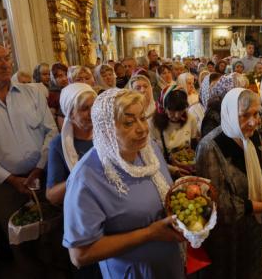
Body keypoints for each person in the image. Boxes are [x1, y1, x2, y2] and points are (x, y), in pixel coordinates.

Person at [63, 89, 185, 278]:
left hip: (168, 262)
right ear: (106, 129)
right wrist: (149, 234)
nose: (142, 128)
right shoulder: (86, 178)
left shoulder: (148, 148)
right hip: (134, 270)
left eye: (143, 118)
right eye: (129, 122)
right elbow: (80, 255)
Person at [196, 88, 262, 279]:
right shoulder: (210, 146)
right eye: (244, 115)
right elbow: (218, 203)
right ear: (229, 113)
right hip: (227, 234)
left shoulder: (252, 135)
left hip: (253, 226)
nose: (253, 121)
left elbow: (261, 174)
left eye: (256, 113)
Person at [0, 39, 58, 277]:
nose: (5, 64)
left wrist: (39, 169)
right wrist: (9, 179)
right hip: (5, 185)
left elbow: (51, 131)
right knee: (20, 240)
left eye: (7, 58)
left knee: (52, 231)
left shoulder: (33, 93)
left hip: (43, 174)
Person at [46, 83, 97, 205]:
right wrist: (80, 175)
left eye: (94, 106)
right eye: (84, 108)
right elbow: (52, 196)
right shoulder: (58, 144)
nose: (92, 112)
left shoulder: (107, 135)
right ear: (70, 114)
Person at [151, 85, 198, 176]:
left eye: (181, 110)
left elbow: (194, 146)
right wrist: (173, 170)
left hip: (188, 169)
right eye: (171, 110)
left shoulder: (190, 119)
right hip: (166, 172)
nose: (177, 115)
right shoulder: (154, 125)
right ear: (164, 106)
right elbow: (153, 158)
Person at [201, 73, 249, 137]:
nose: (245, 95)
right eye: (240, 91)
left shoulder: (237, 108)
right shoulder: (213, 115)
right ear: (228, 92)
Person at [49, 62, 69, 128]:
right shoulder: (53, 94)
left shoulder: (70, 89)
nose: (64, 78)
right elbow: (52, 118)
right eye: (60, 76)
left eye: (66, 74)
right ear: (53, 78)